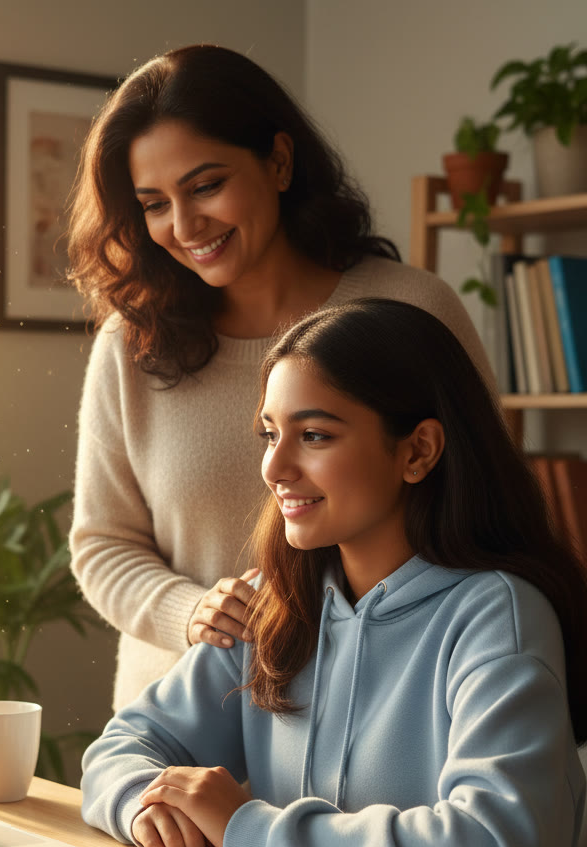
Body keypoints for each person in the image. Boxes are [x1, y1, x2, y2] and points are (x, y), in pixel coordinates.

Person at [80, 298, 587, 847]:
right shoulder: (271, 603)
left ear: (418, 451)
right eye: (270, 433)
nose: (274, 467)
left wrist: (247, 830)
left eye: (314, 435)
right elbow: (120, 749)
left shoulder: (497, 615)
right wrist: (142, 806)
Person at [67, 43, 496, 711]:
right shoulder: (132, 345)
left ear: (279, 161)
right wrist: (193, 612)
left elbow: (485, 510)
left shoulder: (410, 311)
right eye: (154, 203)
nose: (184, 227)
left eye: (207, 185)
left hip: (382, 715)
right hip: (178, 731)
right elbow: (102, 546)